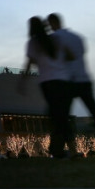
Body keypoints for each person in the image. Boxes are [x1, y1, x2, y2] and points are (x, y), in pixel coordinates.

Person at [47, 12, 95, 159]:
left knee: (60, 117)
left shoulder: (54, 38)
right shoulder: (78, 38)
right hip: (84, 80)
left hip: (66, 82)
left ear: (52, 23)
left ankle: (56, 151)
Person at [19, 16, 73, 158]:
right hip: (63, 81)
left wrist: (23, 80)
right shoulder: (54, 39)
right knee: (60, 115)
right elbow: (70, 55)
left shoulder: (33, 42)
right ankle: (63, 148)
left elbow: (29, 63)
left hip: (48, 82)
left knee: (56, 115)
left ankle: (59, 148)